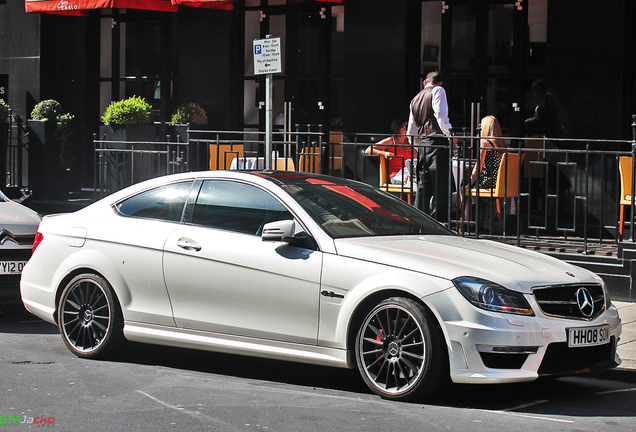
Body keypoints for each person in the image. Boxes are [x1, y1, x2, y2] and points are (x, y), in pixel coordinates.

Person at [407, 71, 456, 222]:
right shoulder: (438, 91)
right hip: (437, 143)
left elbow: (411, 129)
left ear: (425, 82)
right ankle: (440, 221)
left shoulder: (415, 99)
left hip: (423, 145)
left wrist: (418, 146)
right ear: (440, 82)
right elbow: (441, 115)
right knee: (441, 185)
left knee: (423, 186)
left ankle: (418, 221)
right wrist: (450, 136)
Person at [365, 119, 417, 185]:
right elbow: (368, 150)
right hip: (396, 176)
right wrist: (383, 153)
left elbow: (416, 159)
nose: (408, 130)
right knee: (413, 182)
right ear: (397, 128)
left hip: (409, 174)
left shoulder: (411, 142)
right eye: (406, 127)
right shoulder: (391, 141)